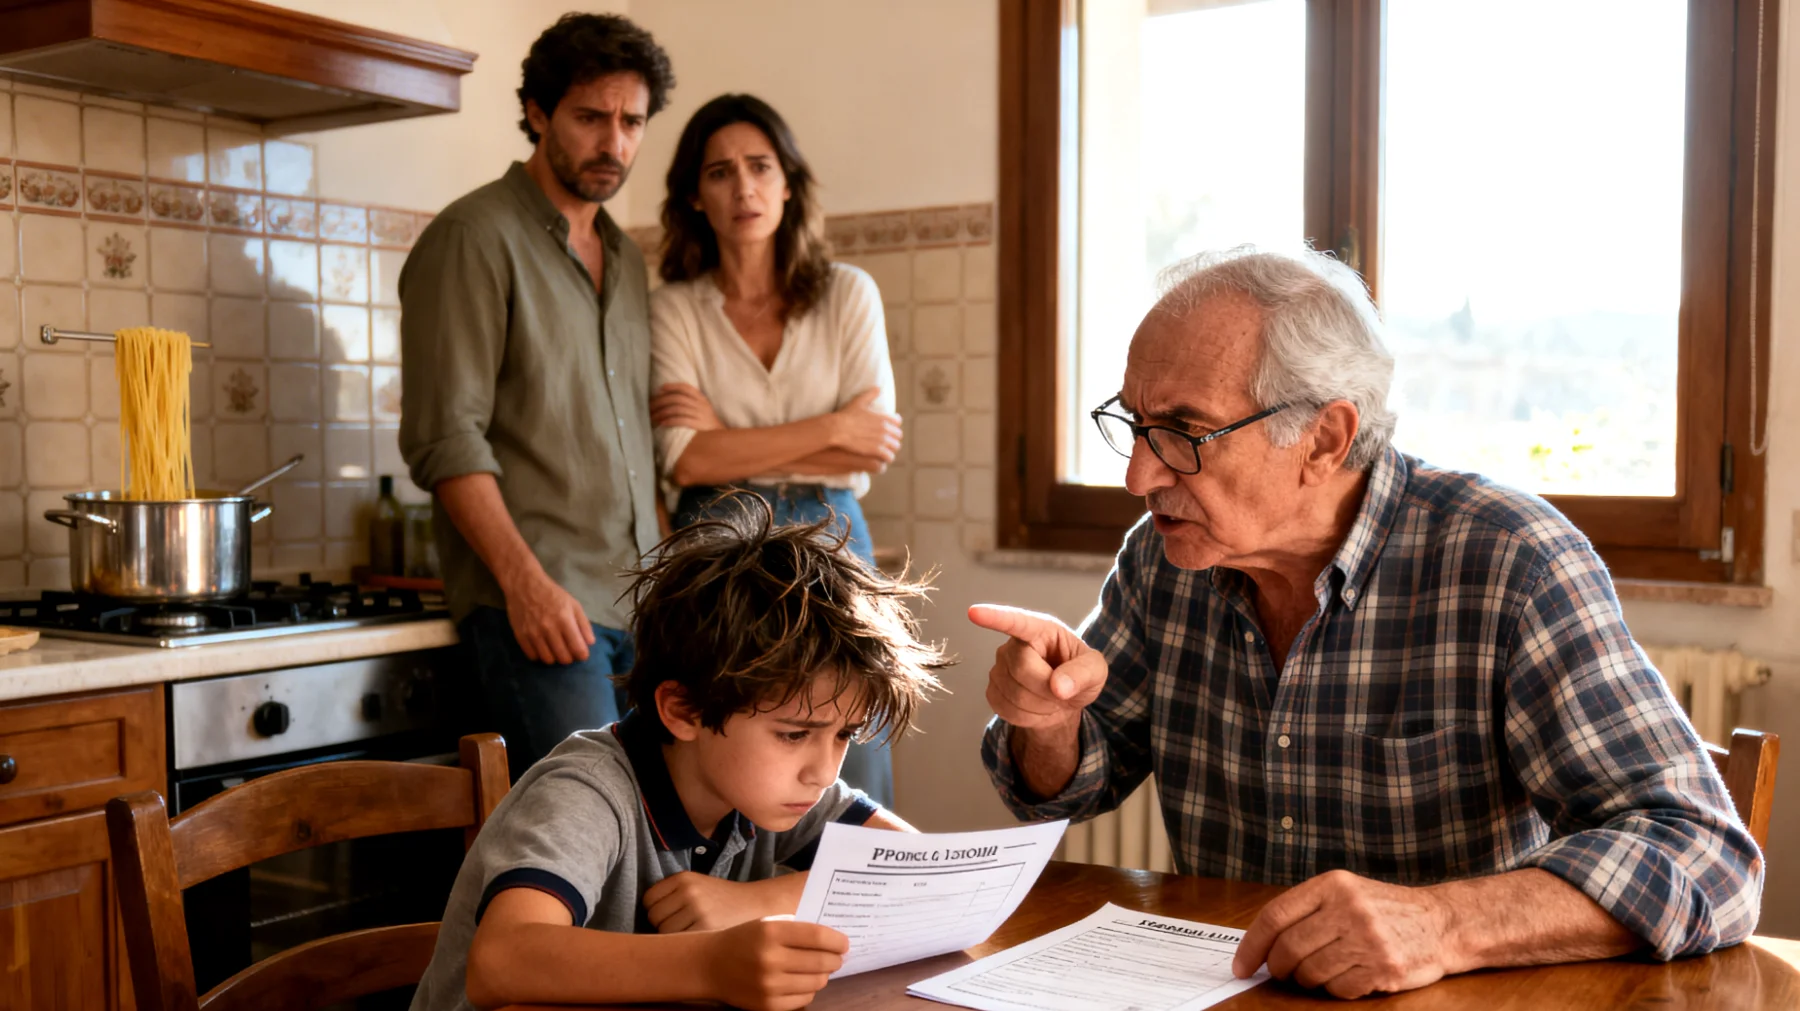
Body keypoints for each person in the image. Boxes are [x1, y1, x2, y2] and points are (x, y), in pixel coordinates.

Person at [973, 247, 1763, 999]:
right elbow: (1069, 788)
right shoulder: (1164, 558)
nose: (1138, 474)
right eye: (1135, 424)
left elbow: (1709, 856)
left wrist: (1442, 924)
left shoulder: (1510, 562)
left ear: (1324, 439)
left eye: (1182, 433)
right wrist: (1050, 720)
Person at [410, 497, 949, 1011]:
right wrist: (711, 964)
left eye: (844, 734)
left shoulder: (775, 788)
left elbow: (929, 877)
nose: (824, 771)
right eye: (793, 735)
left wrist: (758, 902)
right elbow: (500, 962)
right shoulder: (585, 793)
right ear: (684, 711)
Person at [399, 14, 674, 779]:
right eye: (590, 118)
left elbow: (633, 446)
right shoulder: (473, 237)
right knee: (583, 832)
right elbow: (445, 439)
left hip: (635, 611)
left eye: (631, 122)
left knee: (650, 834)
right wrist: (527, 587)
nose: (614, 143)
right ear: (538, 113)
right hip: (539, 612)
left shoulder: (625, 258)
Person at [649, 93, 905, 806]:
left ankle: (861, 876)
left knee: (854, 737)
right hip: (716, 533)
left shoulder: (848, 293)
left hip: (832, 528)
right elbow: (686, 461)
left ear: (788, 183)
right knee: (727, 741)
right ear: (694, 196)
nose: (744, 188)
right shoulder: (673, 308)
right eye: (720, 172)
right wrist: (831, 428)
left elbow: (872, 447)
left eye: (760, 166)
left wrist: (725, 440)